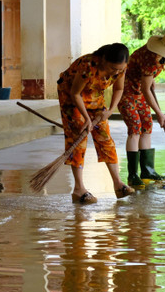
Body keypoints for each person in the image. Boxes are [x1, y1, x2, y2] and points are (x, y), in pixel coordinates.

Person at [117, 29, 165, 186]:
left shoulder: (157, 54)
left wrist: (149, 78)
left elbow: (143, 78)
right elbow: (146, 90)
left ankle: (147, 170)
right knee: (135, 129)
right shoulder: (151, 59)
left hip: (139, 93)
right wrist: (159, 113)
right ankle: (133, 175)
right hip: (126, 94)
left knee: (146, 126)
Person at [57, 43, 135, 204]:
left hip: (94, 96)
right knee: (78, 139)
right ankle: (79, 190)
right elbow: (75, 93)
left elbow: (119, 90)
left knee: (105, 138)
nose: (117, 72)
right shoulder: (89, 65)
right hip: (71, 96)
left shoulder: (120, 69)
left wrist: (110, 110)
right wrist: (86, 119)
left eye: (120, 69)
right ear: (104, 60)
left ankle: (118, 185)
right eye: (114, 68)